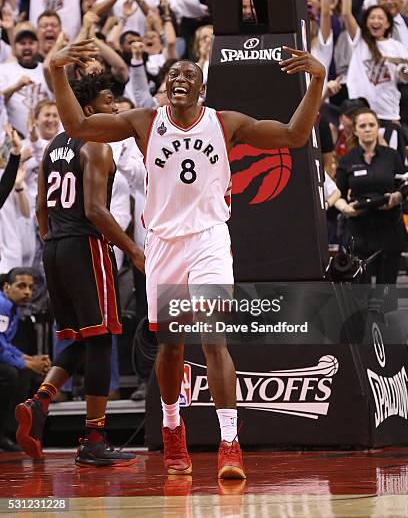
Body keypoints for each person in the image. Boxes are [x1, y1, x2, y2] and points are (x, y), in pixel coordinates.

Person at [48, 38, 326, 479]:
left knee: (213, 338)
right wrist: (56, 72)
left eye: (188, 75)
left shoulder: (224, 122)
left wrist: (317, 81)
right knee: (172, 346)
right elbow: (79, 127)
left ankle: (229, 443)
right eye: (173, 75)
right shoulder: (145, 121)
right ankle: (172, 425)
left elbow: (294, 135)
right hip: (164, 244)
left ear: (201, 89)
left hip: (209, 239)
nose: (179, 78)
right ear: (164, 87)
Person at [15, 72, 144, 467]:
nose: (116, 108)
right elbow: (94, 210)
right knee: (103, 339)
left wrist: (52, 240)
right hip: (84, 245)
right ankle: (94, 438)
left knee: (83, 338)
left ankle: (40, 402)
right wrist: (133, 251)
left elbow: (40, 207)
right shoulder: (97, 144)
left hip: (53, 246)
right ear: (89, 109)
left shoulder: (54, 145)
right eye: (109, 101)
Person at [335, 107, 407, 310]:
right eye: (362, 126)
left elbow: (404, 183)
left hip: (389, 227)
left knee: (387, 293)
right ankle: (362, 336)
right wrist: (345, 208)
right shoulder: (348, 160)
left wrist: (398, 195)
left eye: (371, 125)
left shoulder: (391, 156)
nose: (367, 129)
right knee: (360, 292)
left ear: (377, 128)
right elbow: (337, 193)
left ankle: (390, 337)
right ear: (355, 130)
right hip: (359, 230)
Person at [0, 268, 50, 452]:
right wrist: (28, 363)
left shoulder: (11, 308)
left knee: (21, 372)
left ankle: (9, 433)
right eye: (21, 286)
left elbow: (4, 344)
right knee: (11, 374)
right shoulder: (2, 306)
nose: (27, 292)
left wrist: (29, 359)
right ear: (6, 287)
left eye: (30, 287)